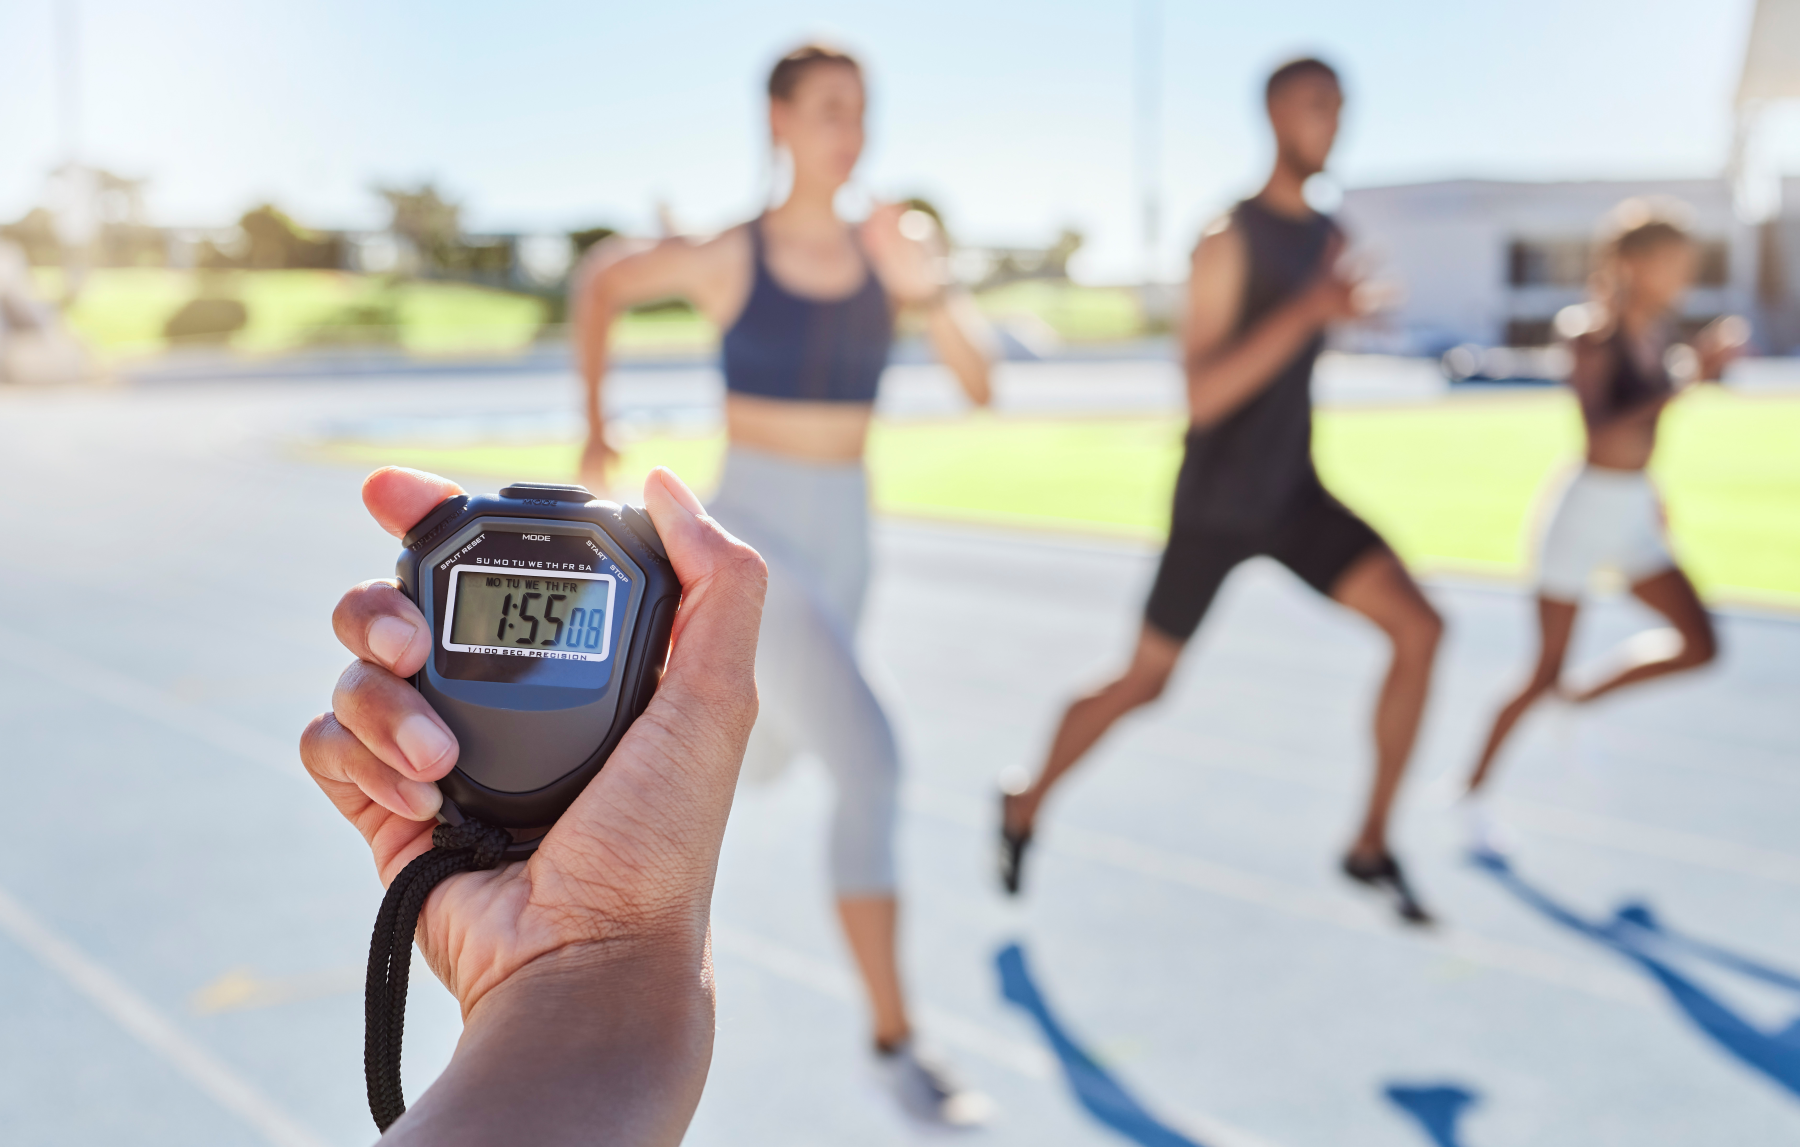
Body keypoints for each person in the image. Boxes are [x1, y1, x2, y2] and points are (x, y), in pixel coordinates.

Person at [570, 44, 996, 1124]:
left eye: (862, 112)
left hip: (850, 535)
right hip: (752, 532)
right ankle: (897, 1043)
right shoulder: (730, 256)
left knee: (760, 769)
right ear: (778, 122)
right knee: (873, 760)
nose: (849, 131)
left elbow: (981, 383)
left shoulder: (894, 249)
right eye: (828, 111)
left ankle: (615, 775)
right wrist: (593, 425)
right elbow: (602, 282)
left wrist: (927, 279)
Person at [997, 58, 1444, 924]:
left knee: (1421, 630)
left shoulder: (1328, 234)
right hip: (1216, 506)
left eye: (1343, 108)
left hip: (1295, 493)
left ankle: (1370, 843)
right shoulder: (1224, 237)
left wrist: (1334, 315)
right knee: (1145, 682)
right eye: (1320, 107)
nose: (1335, 124)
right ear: (1277, 114)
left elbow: (1295, 347)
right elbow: (1202, 394)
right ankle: (1023, 798)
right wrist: (1308, 313)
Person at [300, 464, 766, 1145]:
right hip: (462, 796)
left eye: (556, 615)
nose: (530, 634)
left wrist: (597, 952)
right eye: (508, 611)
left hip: (458, 792)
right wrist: (597, 959)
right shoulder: (628, 557)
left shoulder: (451, 537)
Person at [1461, 202, 1745, 845]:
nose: (1681, 275)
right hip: (1584, 513)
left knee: (1700, 643)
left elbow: (1644, 437)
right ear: (1631, 263)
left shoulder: (1658, 333)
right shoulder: (1589, 331)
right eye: (1671, 262)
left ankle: (1579, 701)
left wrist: (1652, 489)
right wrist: (1686, 381)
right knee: (1544, 668)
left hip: (1632, 512)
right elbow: (1601, 432)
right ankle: (1470, 791)